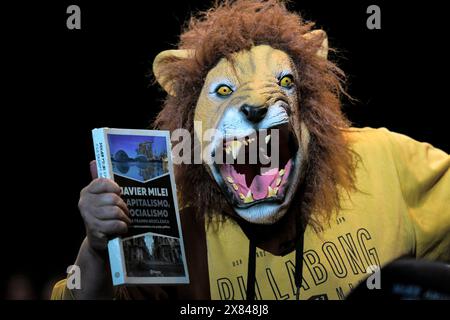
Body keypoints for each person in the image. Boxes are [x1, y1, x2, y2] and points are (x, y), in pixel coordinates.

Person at [52, 0, 449, 300]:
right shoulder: (173, 219)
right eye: (223, 92)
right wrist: (97, 249)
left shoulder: (382, 158)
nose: (256, 105)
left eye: (285, 82)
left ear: (310, 114)